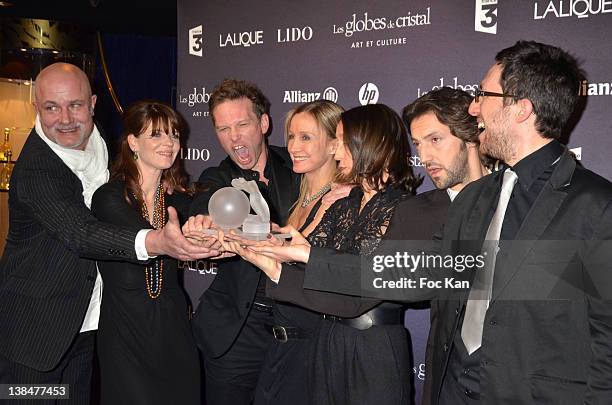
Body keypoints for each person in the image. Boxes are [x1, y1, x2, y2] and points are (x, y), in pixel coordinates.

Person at [278, 41, 612, 404]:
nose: (473, 107)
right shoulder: (475, 198)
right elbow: (408, 273)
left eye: (483, 94)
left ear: (521, 109)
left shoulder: (595, 206)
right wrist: (307, 257)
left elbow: (606, 340)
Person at [0, 63, 217, 403]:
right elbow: (81, 234)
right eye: (51, 108)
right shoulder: (37, 170)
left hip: (86, 325)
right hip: (35, 332)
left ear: (93, 104)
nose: (66, 118)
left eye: (75, 105)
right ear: (36, 108)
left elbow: (159, 182)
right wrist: (156, 240)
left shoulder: (96, 140)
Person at [222, 104, 422, 405]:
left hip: (372, 352)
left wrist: (285, 261)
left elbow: (355, 289)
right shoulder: (344, 205)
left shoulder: (402, 209)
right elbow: (315, 272)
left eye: (342, 142)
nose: (336, 151)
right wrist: (264, 254)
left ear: (369, 144)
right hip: (328, 343)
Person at [188, 79, 300, 405]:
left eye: (241, 124)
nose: (234, 136)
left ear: (263, 123)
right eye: (224, 129)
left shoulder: (298, 166)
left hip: (294, 326)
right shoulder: (217, 176)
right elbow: (205, 202)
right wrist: (204, 220)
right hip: (237, 332)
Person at [91, 101, 200, 404]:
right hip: (125, 335)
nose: (169, 143)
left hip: (174, 331)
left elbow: (204, 213)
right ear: (132, 142)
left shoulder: (179, 201)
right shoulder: (108, 198)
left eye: (174, 135)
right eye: (157, 135)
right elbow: (139, 234)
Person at [398, 86, 490, 404]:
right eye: (418, 144)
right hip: (446, 384)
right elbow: (377, 276)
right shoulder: (413, 212)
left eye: (435, 140)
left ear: (471, 135)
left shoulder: (517, 199)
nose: (424, 157)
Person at [254, 100, 344, 405]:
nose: (293, 146)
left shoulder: (345, 201)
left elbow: (337, 280)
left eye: (306, 137)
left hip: (314, 352)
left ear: (335, 145)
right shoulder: (298, 196)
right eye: (291, 136)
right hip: (280, 347)